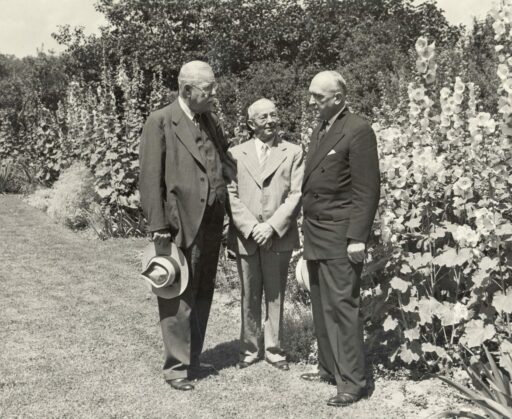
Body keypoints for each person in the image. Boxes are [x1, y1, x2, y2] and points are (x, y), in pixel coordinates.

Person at [139, 60, 233, 391]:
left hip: (211, 220)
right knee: (176, 293)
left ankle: (193, 358)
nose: (214, 94)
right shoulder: (161, 121)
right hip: (179, 223)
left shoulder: (209, 120)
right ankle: (176, 368)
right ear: (187, 90)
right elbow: (150, 178)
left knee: (204, 289)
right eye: (208, 89)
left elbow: (224, 161)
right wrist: (158, 226)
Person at [300, 71, 380, 407]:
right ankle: (330, 368)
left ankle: (353, 382)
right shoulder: (322, 127)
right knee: (320, 305)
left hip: (340, 233)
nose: (312, 101)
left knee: (343, 306)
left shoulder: (358, 129)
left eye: (318, 96)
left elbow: (366, 189)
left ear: (338, 97)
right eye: (312, 95)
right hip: (316, 231)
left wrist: (357, 238)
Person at [227, 98, 304, 371]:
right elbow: (231, 195)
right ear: (251, 124)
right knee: (249, 294)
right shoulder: (236, 153)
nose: (271, 121)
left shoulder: (293, 152)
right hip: (246, 235)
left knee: (275, 293)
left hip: (277, 235)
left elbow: (296, 194)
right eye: (264, 117)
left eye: (274, 115)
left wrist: (270, 226)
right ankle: (249, 350)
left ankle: (274, 350)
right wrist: (251, 227)